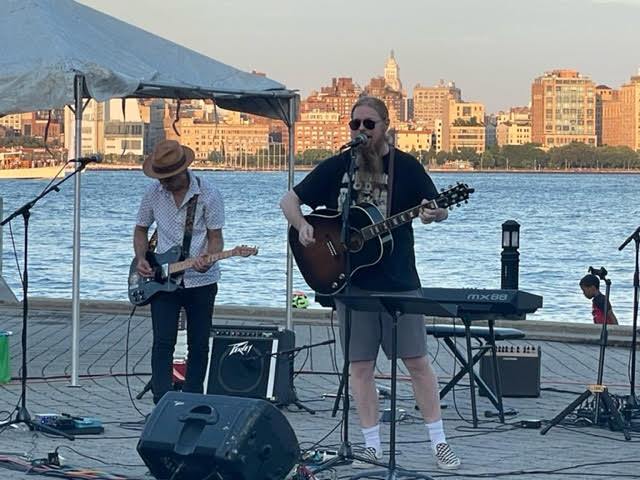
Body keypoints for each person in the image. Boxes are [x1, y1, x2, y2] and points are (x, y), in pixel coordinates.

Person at [280, 96, 461, 470]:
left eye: (369, 124)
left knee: (417, 362)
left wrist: (436, 214)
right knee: (360, 366)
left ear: (386, 126)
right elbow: (289, 201)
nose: (361, 130)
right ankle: (372, 446)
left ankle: (439, 443)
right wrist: (303, 226)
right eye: (355, 124)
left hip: (399, 282)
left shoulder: (406, 167)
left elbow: (437, 207)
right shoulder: (339, 165)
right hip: (350, 283)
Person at [134, 139, 225, 405]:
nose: (164, 183)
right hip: (162, 278)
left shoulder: (209, 194)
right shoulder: (153, 193)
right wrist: (141, 257)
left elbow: (216, 238)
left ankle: (192, 399)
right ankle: (162, 401)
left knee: (199, 343)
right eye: (160, 178)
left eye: (169, 178)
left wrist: (208, 259)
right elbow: (140, 228)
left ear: (183, 170)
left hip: (201, 280)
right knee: (162, 342)